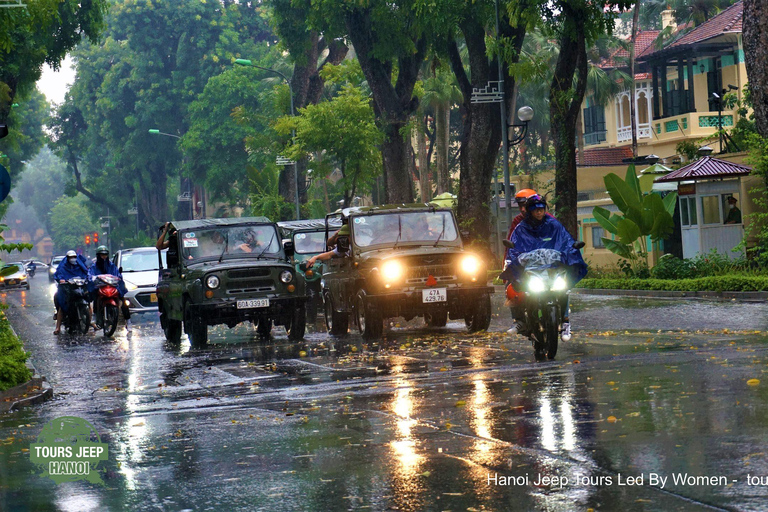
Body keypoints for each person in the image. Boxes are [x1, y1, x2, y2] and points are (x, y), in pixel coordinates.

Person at [506, 195, 587, 341]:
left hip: (552, 268)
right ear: (529, 211)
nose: (539, 213)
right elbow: (514, 246)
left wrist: (571, 248)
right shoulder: (521, 228)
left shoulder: (554, 225)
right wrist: (514, 257)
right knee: (513, 287)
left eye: (541, 209)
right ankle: (520, 321)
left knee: (563, 287)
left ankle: (565, 321)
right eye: (535, 210)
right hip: (532, 270)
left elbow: (565, 240)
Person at [89, 246, 132, 332]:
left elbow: (118, 275)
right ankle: (95, 315)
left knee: (122, 299)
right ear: (98, 255)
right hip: (100, 287)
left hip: (112, 286)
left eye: (105, 255)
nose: (104, 257)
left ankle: (128, 320)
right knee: (95, 296)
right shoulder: (94, 266)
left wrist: (118, 278)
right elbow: (90, 275)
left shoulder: (112, 265)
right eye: (102, 255)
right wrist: (93, 278)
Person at [53, 250, 90, 335]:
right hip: (68, 288)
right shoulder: (63, 267)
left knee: (88, 303)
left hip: (79, 288)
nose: (73, 259)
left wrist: (87, 279)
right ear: (67, 258)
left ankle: (90, 321)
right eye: (71, 257)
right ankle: (57, 327)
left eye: (74, 257)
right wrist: (61, 280)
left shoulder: (79, 266)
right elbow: (59, 275)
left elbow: (86, 273)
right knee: (62, 306)